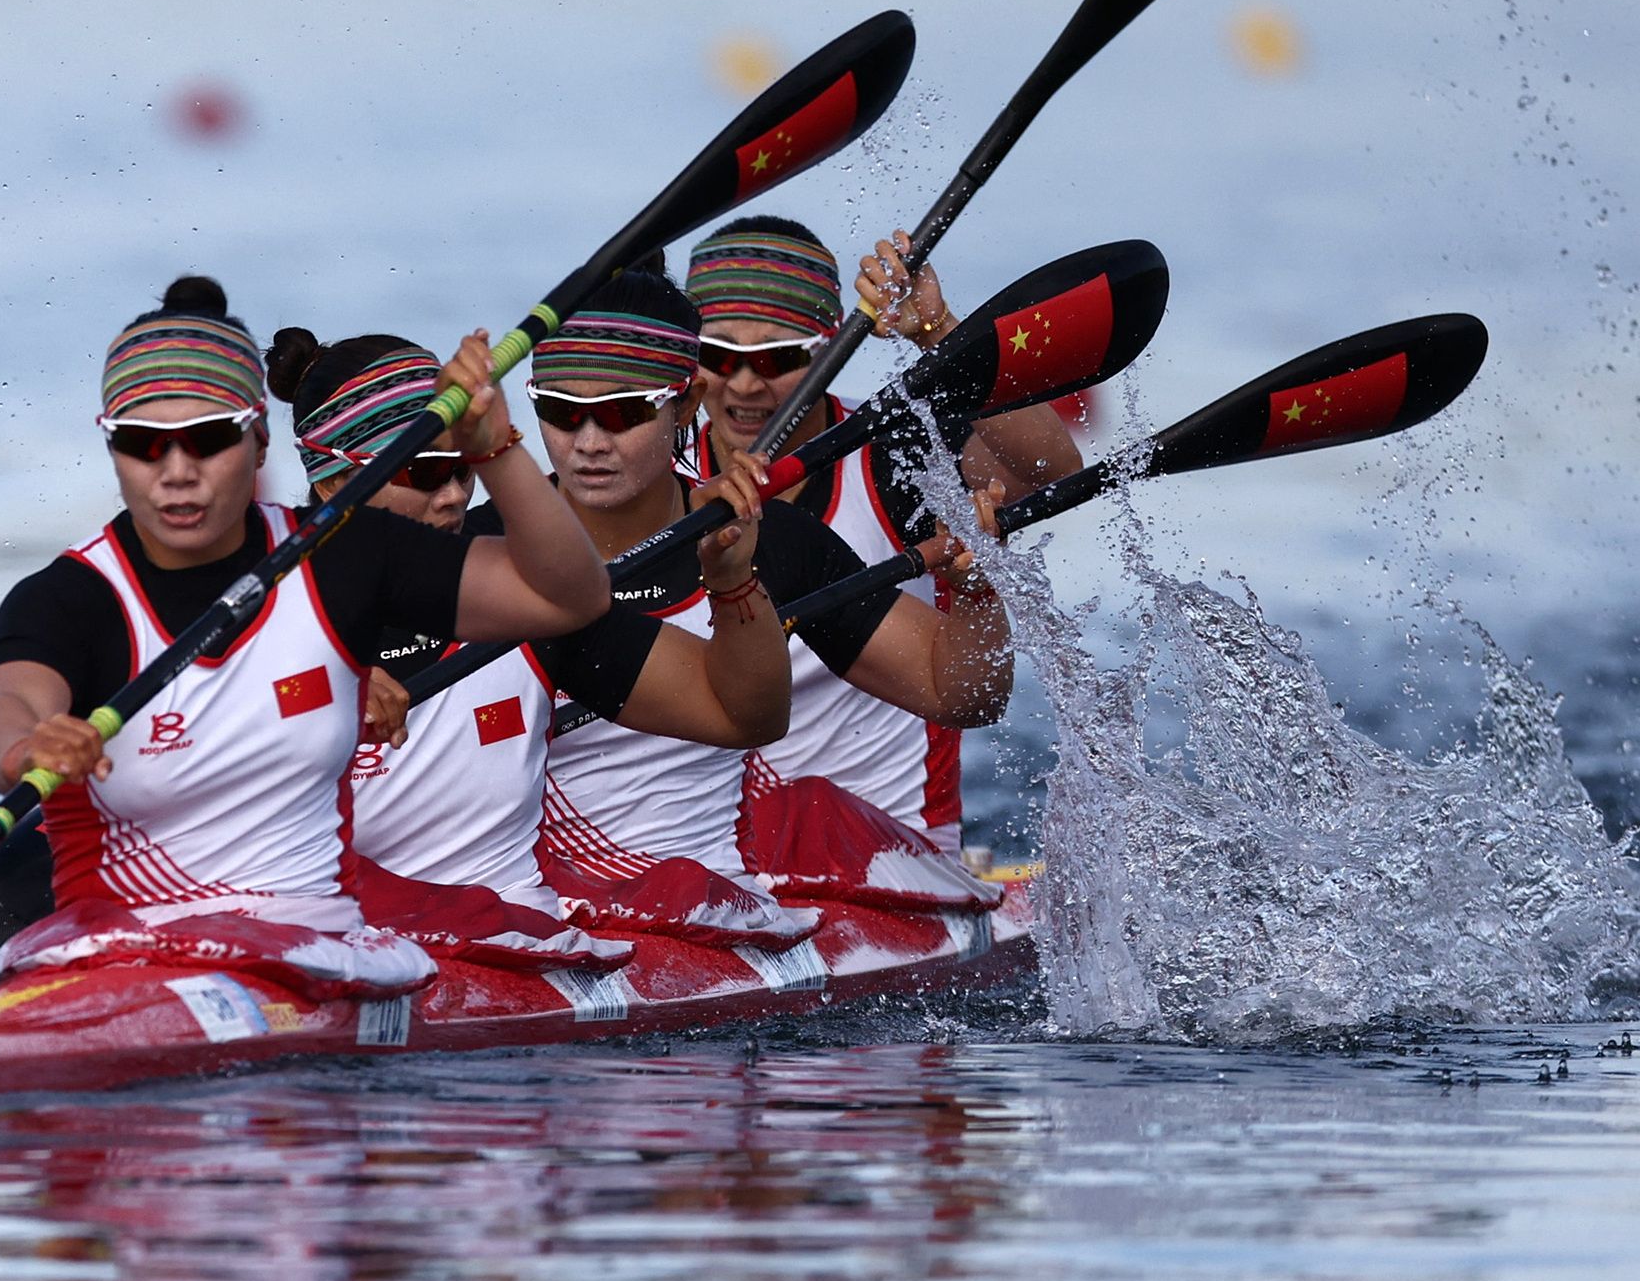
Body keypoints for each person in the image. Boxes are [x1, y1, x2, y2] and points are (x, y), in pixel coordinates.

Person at [0, 276, 610, 991]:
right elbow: (7, 706)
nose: (177, 473)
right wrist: (27, 747)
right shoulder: (69, 598)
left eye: (207, 440)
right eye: (145, 444)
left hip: (314, 956)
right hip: (120, 958)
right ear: (112, 447)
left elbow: (570, 597)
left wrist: (498, 450)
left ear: (260, 440)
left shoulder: (343, 555)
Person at [263, 323, 805, 955]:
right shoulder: (252, 620)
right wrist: (310, 695)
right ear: (334, 484)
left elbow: (746, 716)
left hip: (510, 949)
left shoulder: (521, 607)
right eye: (424, 474)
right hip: (325, 937)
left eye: (463, 471)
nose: (453, 499)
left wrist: (732, 582)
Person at [522, 271, 1012, 934]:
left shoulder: (767, 542)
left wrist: (978, 592)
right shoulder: (481, 557)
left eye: (622, 412)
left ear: (687, 401)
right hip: (535, 893)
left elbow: (963, 695)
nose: (587, 442)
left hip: (711, 900)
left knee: (803, 808)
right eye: (557, 409)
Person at [683, 218, 1076, 850]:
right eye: (718, 357)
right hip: (714, 860)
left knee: (806, 813)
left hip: (892, 856)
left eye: (778, 359)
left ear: (829, 350)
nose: (745, 385)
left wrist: (938, 333)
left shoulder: (895, 448)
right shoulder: (653, 474)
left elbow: (1050, 476)